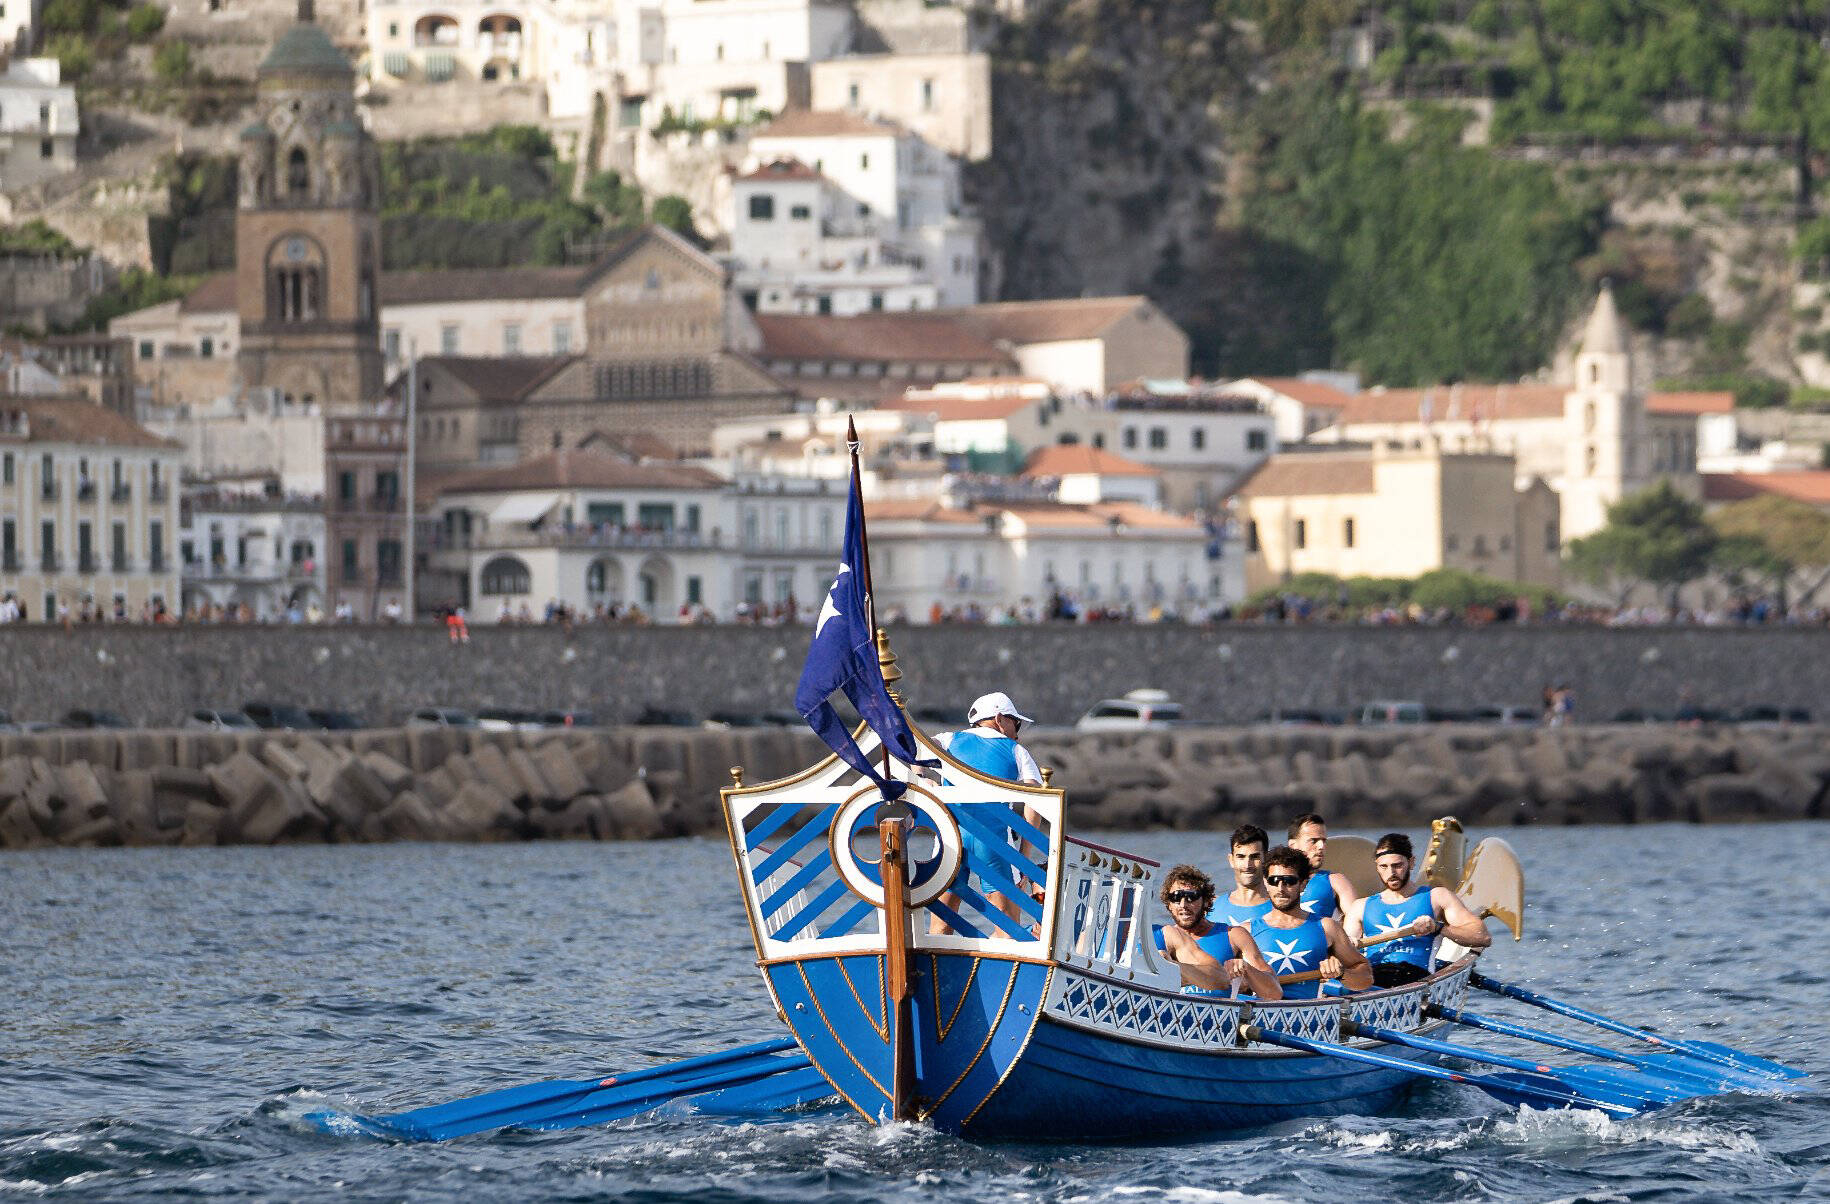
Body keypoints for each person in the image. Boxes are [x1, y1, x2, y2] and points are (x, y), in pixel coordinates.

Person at [930, 692, 1044, 932]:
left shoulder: (947, 740)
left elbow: (912, 752)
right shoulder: (1016, 750)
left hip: (950, 837)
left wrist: (923, 781)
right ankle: (1002, 967)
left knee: (942, 920)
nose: (1017, 732)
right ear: (1001, 719)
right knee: (1007, 924)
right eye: (1017, 723)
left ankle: (937, 967)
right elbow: (1036, 802)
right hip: (994, 838)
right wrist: (1023, 858)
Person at [1344, 832, 1492, 987]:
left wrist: (1438, 928)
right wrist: (1346, 948)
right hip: (1374, 978)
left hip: (1415, 978)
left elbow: (1482, 937)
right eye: (1384, 867)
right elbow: (1343, 955)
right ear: (1377, 867)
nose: (1391, 873)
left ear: (1411, 862)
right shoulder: (1360, 907)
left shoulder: (1437, 897)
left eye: (1397, 865)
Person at [1249, 845, 1372, 999]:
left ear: (1303, 884)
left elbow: (1366, 978)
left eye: (1289, 881)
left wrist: (1341, 973)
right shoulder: (1247, 931)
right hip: (1262, 1015)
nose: (1281, 888)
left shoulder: (1327, 927)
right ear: (1266, 883)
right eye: (1274, 880)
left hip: (1310, 1017)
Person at [1158, 865, 1280, 1000]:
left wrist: (1247, 969)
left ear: (1206, 901)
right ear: (1169, 904)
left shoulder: (1234, 935)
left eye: (1191, 897)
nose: (1183, 905)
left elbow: (1274, 993)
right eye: (1176, 897)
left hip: (1222, 1016)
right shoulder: (1160, 939)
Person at [1288, 812, 1360, 921]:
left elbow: (1357, 922)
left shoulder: (1336, 881)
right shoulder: (1272, 882)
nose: (1321, 846)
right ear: (1293, 845)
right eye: (1313, 841)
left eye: (1323, 841)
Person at [1208, 823, 1272, 928]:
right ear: (1231, 860)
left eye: (1254, 857)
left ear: (1266, 858)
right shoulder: (1212, 907)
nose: (1247, 865)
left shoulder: (1281, 908)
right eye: (1241, 857)